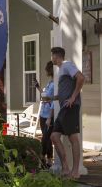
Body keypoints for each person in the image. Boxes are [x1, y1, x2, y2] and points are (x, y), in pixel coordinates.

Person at [43, 47, 85, 179]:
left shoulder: (67, 65)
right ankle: (65, 167)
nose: (51, 58)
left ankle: (76, 171)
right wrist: (52, 98)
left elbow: (81, 77)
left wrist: (73, 97)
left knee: (73, 138)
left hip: (70, 107)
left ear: (56, 56)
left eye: (52, 56)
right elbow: (64, 92)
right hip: (63, 108)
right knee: (54, 136)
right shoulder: (61, 69)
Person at [34, 61, 54, 167]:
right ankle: (49, 160)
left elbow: (53, 102)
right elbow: (44, 96)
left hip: (48, 116)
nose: (45, 71)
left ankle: (41, 159)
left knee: (46, 137)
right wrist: (38, 87)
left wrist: (50, 118)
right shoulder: (49, 82)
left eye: (47, 69)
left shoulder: (55, 84)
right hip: (43, 114)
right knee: (47, 138)